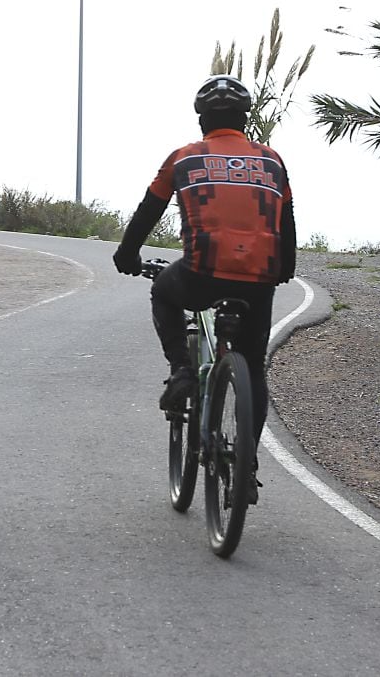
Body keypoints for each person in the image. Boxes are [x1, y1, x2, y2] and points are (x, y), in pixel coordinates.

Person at [113, 75, 297, 502]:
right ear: (244, 119)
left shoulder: (184, 158)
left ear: (201, 119)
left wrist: (127, 256)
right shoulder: (272, 161)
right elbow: (286, 222)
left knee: (164, 292)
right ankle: (246, 466)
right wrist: (284, 269)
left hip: (201, 273)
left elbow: (148, 211)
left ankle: (181, 369)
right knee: (252, 368)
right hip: (258, 280)